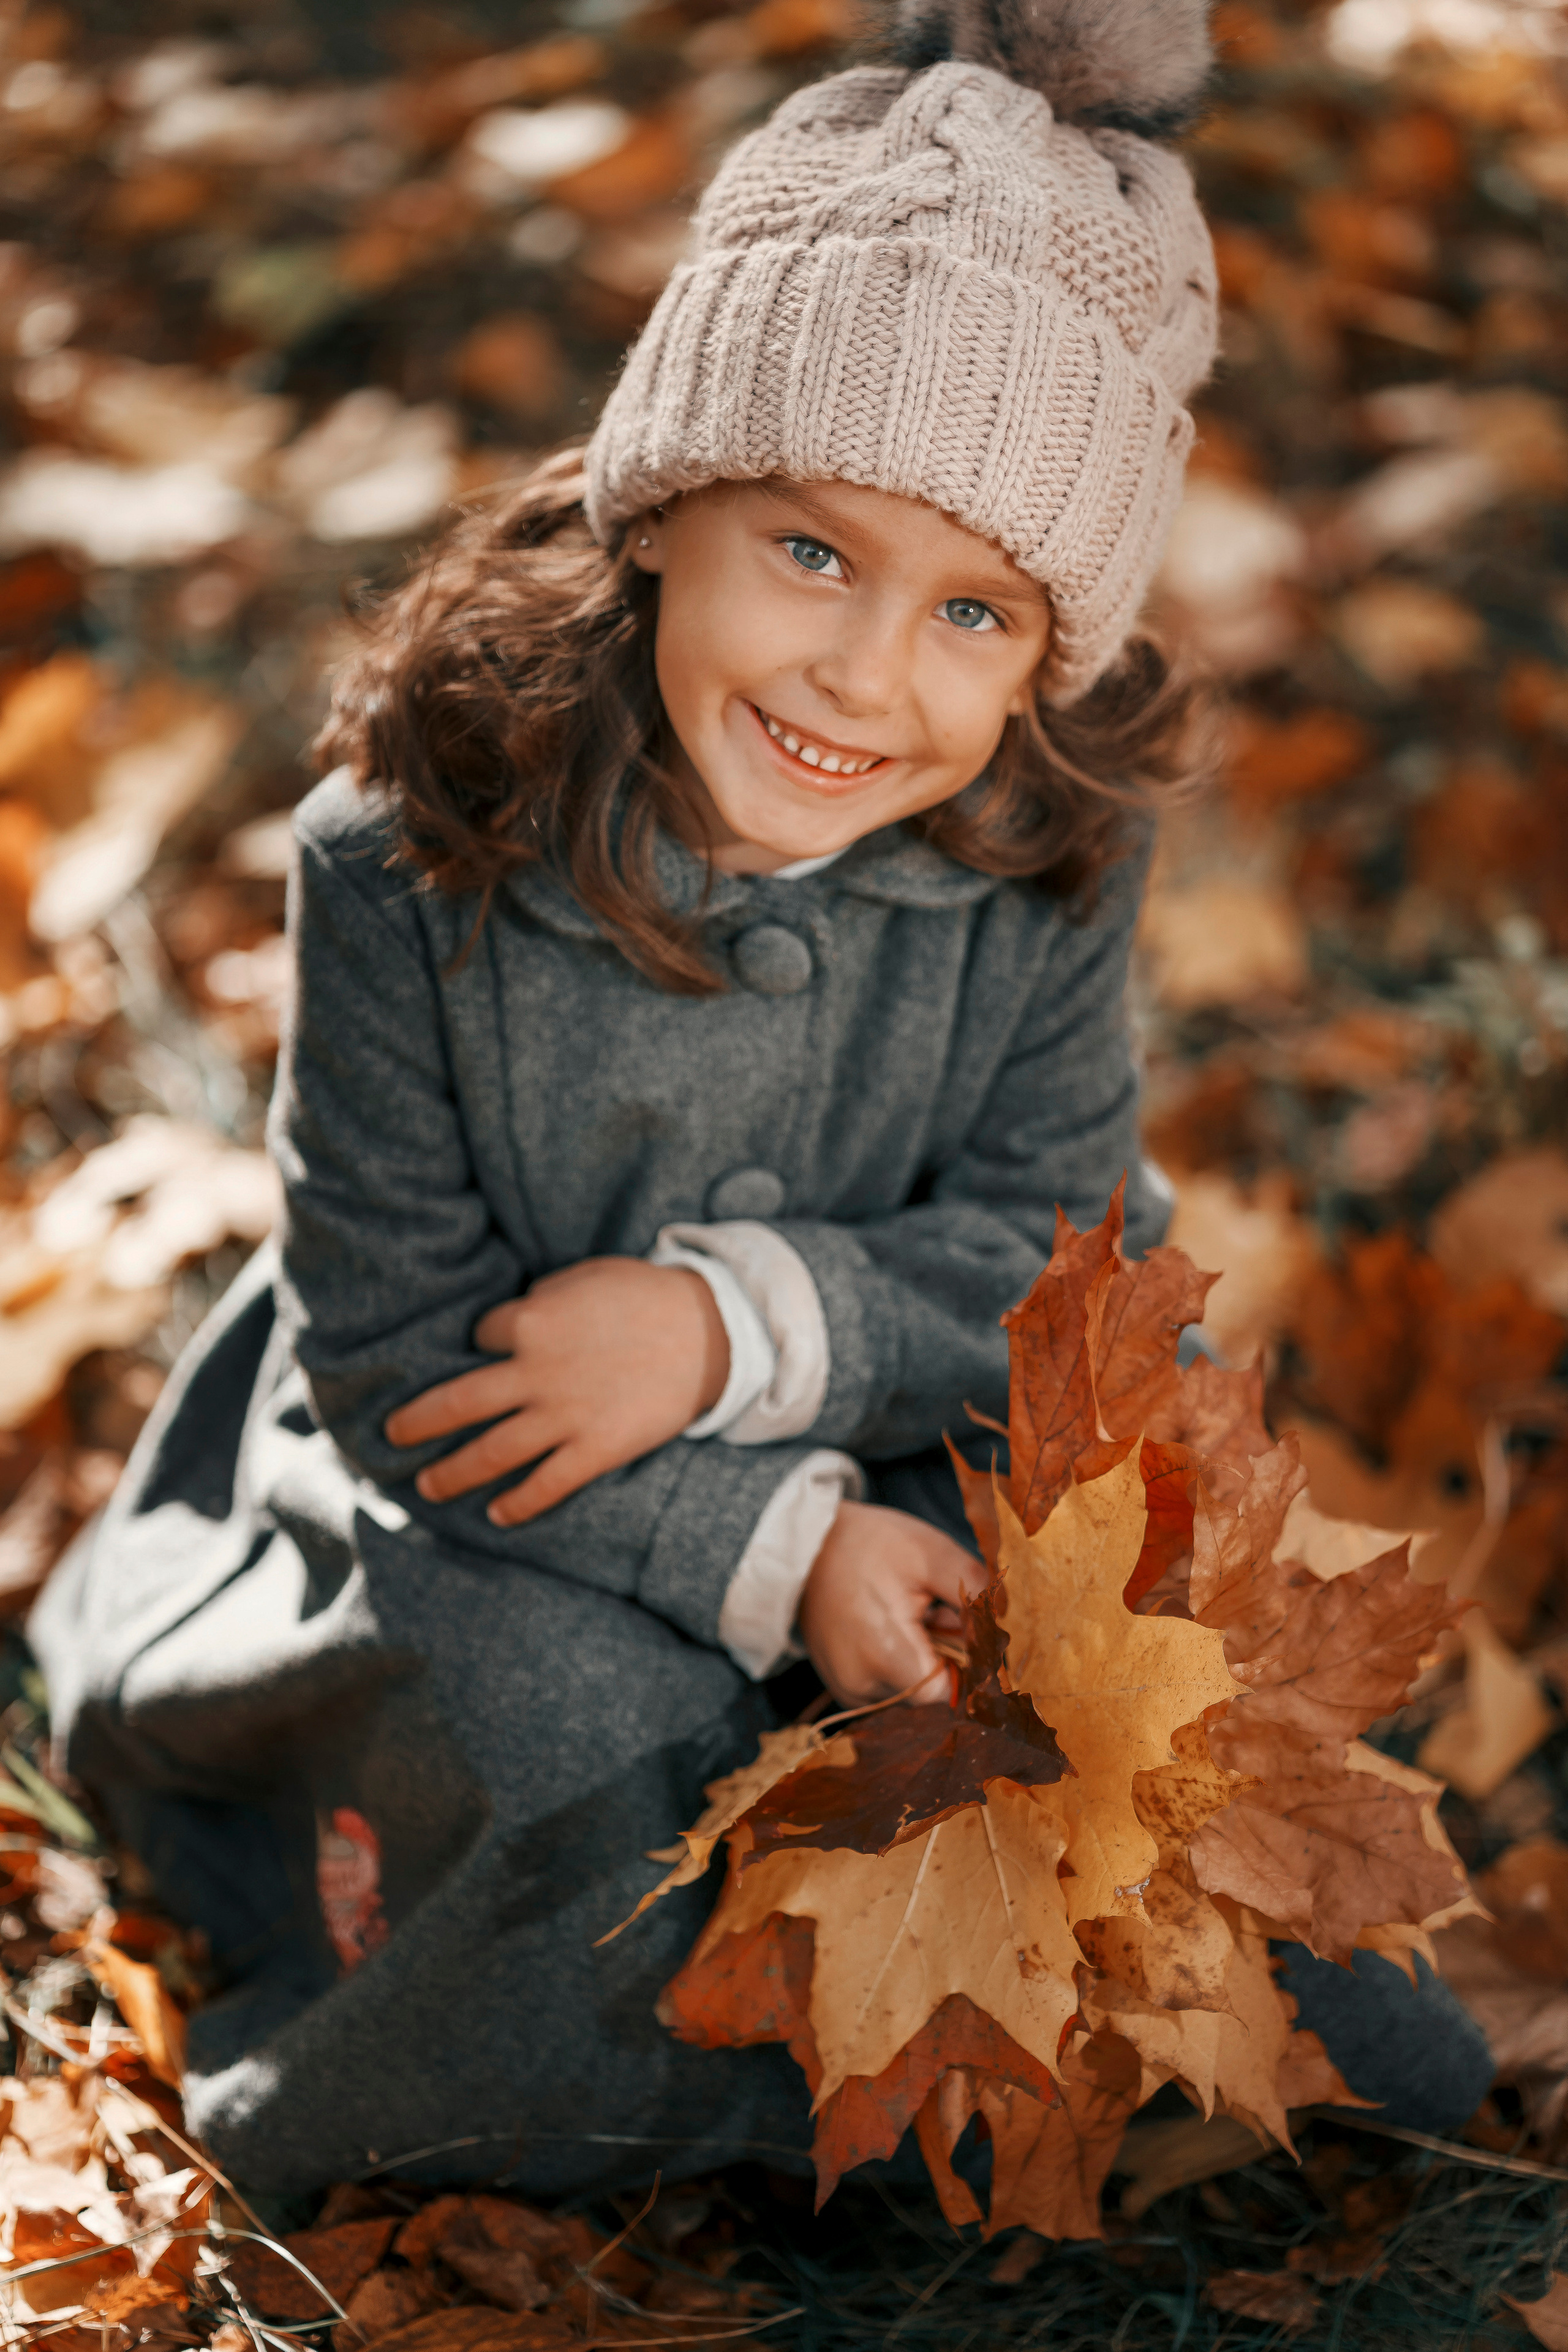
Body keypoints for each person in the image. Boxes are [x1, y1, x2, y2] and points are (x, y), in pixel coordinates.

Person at [31, 0, 1491, 2198]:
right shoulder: (407, 864)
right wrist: (762, 1538)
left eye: (976, 611)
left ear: (1048, 650)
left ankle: (1048, 2065)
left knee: (1129, 1795)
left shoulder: (1047, 858)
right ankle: (475, 2092)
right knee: (585, 1774)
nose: (865, 677)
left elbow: (1057, 1245)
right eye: (811, 550)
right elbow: (400, 1349)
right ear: (671, 496)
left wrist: (750, 1338)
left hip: (910, 1420)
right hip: (492, 1485)